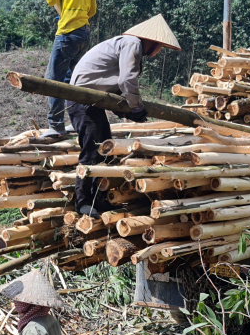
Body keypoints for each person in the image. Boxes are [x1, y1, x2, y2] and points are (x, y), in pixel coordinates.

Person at [67, 13, 181, 216]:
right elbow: (127, 80)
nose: (159, 51)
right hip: (81, 100)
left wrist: (126, 110)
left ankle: (97, 198)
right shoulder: (133, 44)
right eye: (160, 47)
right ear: (152, 42)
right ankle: (82, 202)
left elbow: (113, 88)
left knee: (105, 147)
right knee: (92, 150)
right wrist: (136, 108)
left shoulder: (128, 44)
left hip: (92, 102)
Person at [36, 0, 97, 138]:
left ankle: (56, 126)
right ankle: (76, 122)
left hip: (67, 32)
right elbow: (93, 10)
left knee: (53, 79)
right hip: (84, 33)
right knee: (75, 81)